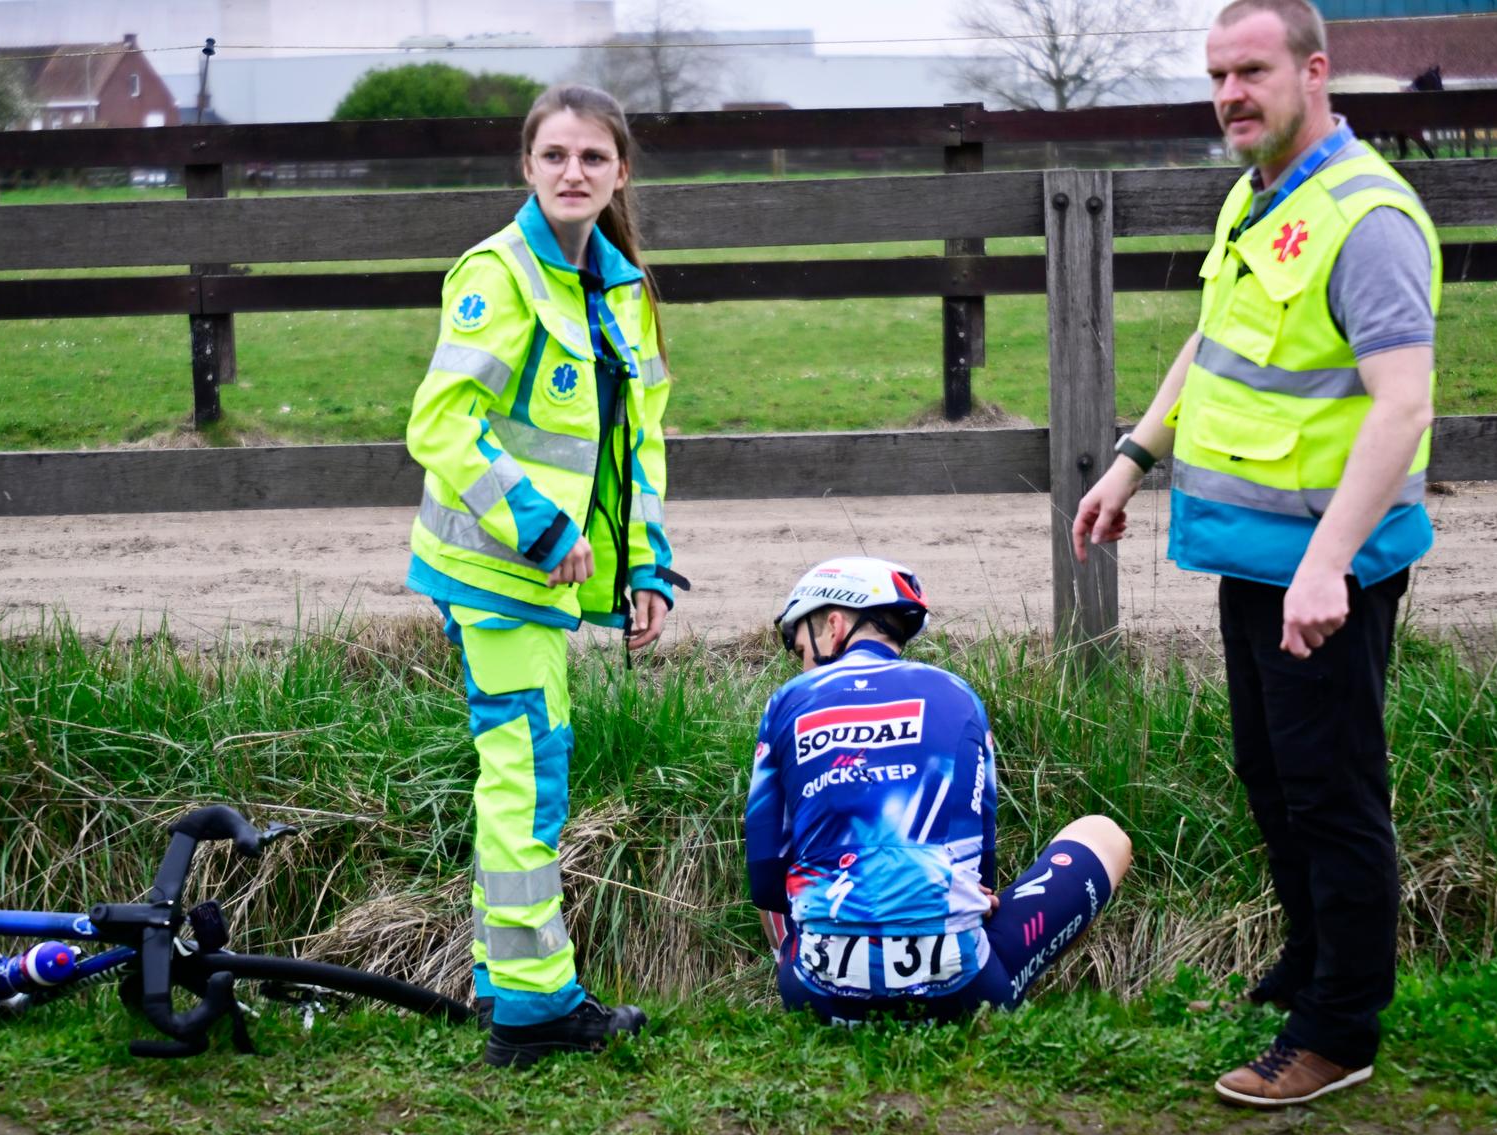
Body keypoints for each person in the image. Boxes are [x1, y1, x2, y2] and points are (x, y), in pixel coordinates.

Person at [1072, 0, 1442, 1107]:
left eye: (1252, 71)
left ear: (1314, 72)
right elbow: (1215, 340)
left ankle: (1339, 1027)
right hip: (1250, 550)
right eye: (1217, 74)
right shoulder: (1255, 195)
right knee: (1273, 774)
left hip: (1325, 566)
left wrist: (1328, 562)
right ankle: (1310, 960)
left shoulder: (1369, 216)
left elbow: (1402, 404)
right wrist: (1135, 454)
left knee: (1333, 790)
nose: (1230, 93)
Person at [404, 84, 686, 1068]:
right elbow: (440, 422)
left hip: (553, 582)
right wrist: (535, 525)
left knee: (521, 771)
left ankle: (503, 979)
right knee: (528, 778)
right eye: (555, 155)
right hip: (495, 574)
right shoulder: (500, 272)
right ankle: (534, 1007)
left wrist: (643, 567)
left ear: (620, 175)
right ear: (526, 167)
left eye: (593, 158)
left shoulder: (617, 288)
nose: (574, 173)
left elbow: (636, 447)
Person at [744, 557, 1132, 1024]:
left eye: (796, 642)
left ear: (832, 625)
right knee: (1104, 833)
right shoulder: (958, 694)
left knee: (790, 865)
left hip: (816, 997)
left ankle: (829, 975)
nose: (799, 659)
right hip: (964, 994)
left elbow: (766, 882)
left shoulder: (787, 701)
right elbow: (980, 872)